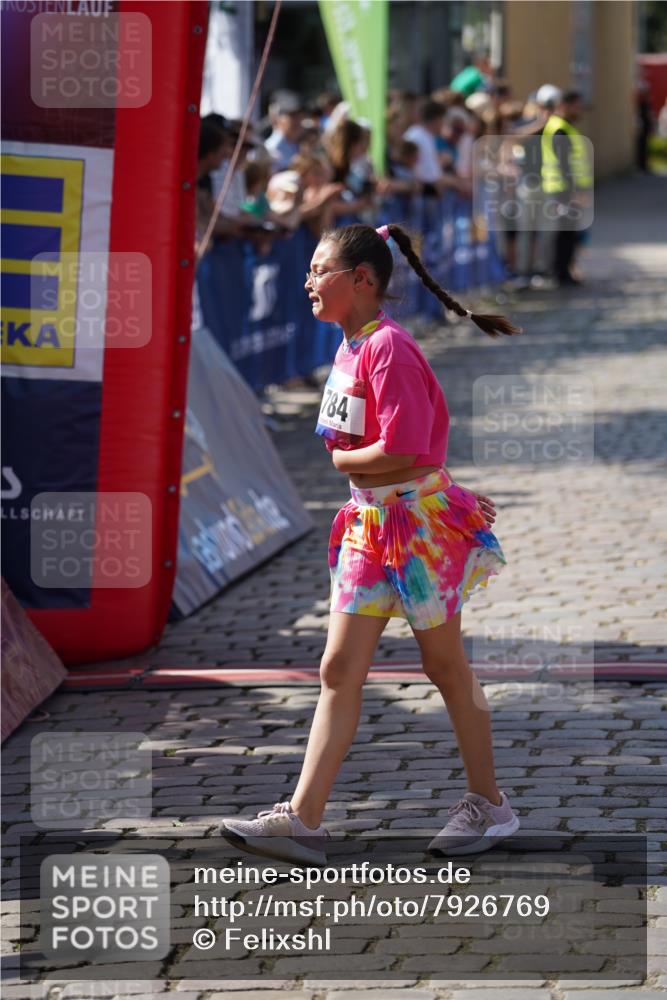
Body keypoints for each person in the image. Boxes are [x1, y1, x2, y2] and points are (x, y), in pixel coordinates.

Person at [221, 222, 522, 866]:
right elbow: (362, 444)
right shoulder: (349, 346)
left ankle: (489, 804)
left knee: (445, 668)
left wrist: (344, 466)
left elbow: (407, 447)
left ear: (361, 280)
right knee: (337, 669)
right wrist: (355, 467)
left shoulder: (388, 348)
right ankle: (303, 818)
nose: (307, 282)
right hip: (368, 526)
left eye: (318, 270)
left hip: (419, 529)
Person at [541, 88, 593, 286]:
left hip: (563, 188)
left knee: (568, 231)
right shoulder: (560, 128)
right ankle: (560, 272)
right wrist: (575, 192)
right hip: (562, 189)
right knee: (564, 232)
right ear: (564, 106)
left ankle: (564, 271)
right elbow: (564, 163)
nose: (579, 110)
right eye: (576, 107)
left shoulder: (564, 127)